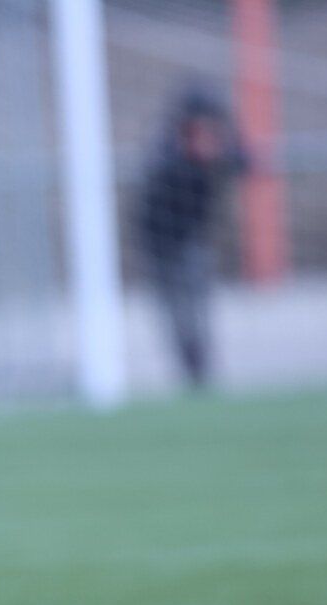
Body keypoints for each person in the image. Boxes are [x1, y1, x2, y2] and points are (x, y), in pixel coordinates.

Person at [138, 83, 246, 390]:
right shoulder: (168, 148)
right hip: (159, 241)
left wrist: (225, 146)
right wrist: (197, 157)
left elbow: (245, 161)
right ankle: (189, 366)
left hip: (191, 239)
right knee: (175, 310)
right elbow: (164, 181)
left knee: (198, 304)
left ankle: (202, 367)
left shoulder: (217, 144)